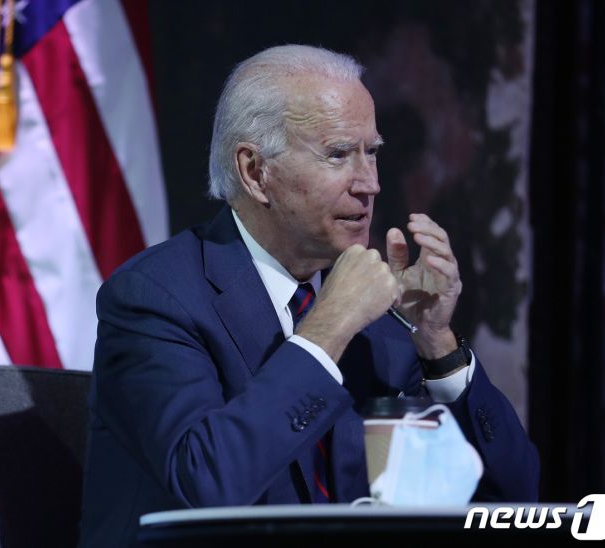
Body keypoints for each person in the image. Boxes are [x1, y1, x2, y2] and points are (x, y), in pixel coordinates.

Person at [78, 45, 539, 548]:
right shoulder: (155, 298)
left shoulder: (381, 324)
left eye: (373, 152)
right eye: (339, 154)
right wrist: (327, 327)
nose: (370, 184)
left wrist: (437, 345)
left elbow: (513, 498)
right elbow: (206, 484)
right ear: (256, 172)